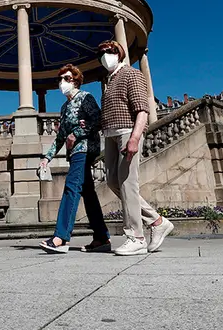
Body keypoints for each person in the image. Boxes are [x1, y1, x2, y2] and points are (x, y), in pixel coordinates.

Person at [97, 40, 174, 255]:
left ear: (119, 53)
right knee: (114, 181)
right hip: (110, 135)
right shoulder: (108, 80)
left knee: (128, 183)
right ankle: (157, 221)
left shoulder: (131, 74)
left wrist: (135, 137)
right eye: (101, 53)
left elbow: (142, 109)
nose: (105, 55)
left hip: (127, 132)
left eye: (110, 51)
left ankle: (136, 236)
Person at [38, 65, 111, 254]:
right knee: (88, 193)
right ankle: (102, 237)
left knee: (71, 187)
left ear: (77, 80)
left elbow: (98, 120)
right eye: (60, 79)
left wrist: (77, 133)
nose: (63, 82)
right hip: (75, 152)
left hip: (85, 149)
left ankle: (61, 237)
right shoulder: (65, 107)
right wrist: (47, 158)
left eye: (67, 78)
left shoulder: (85, 97)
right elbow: (61, 136)